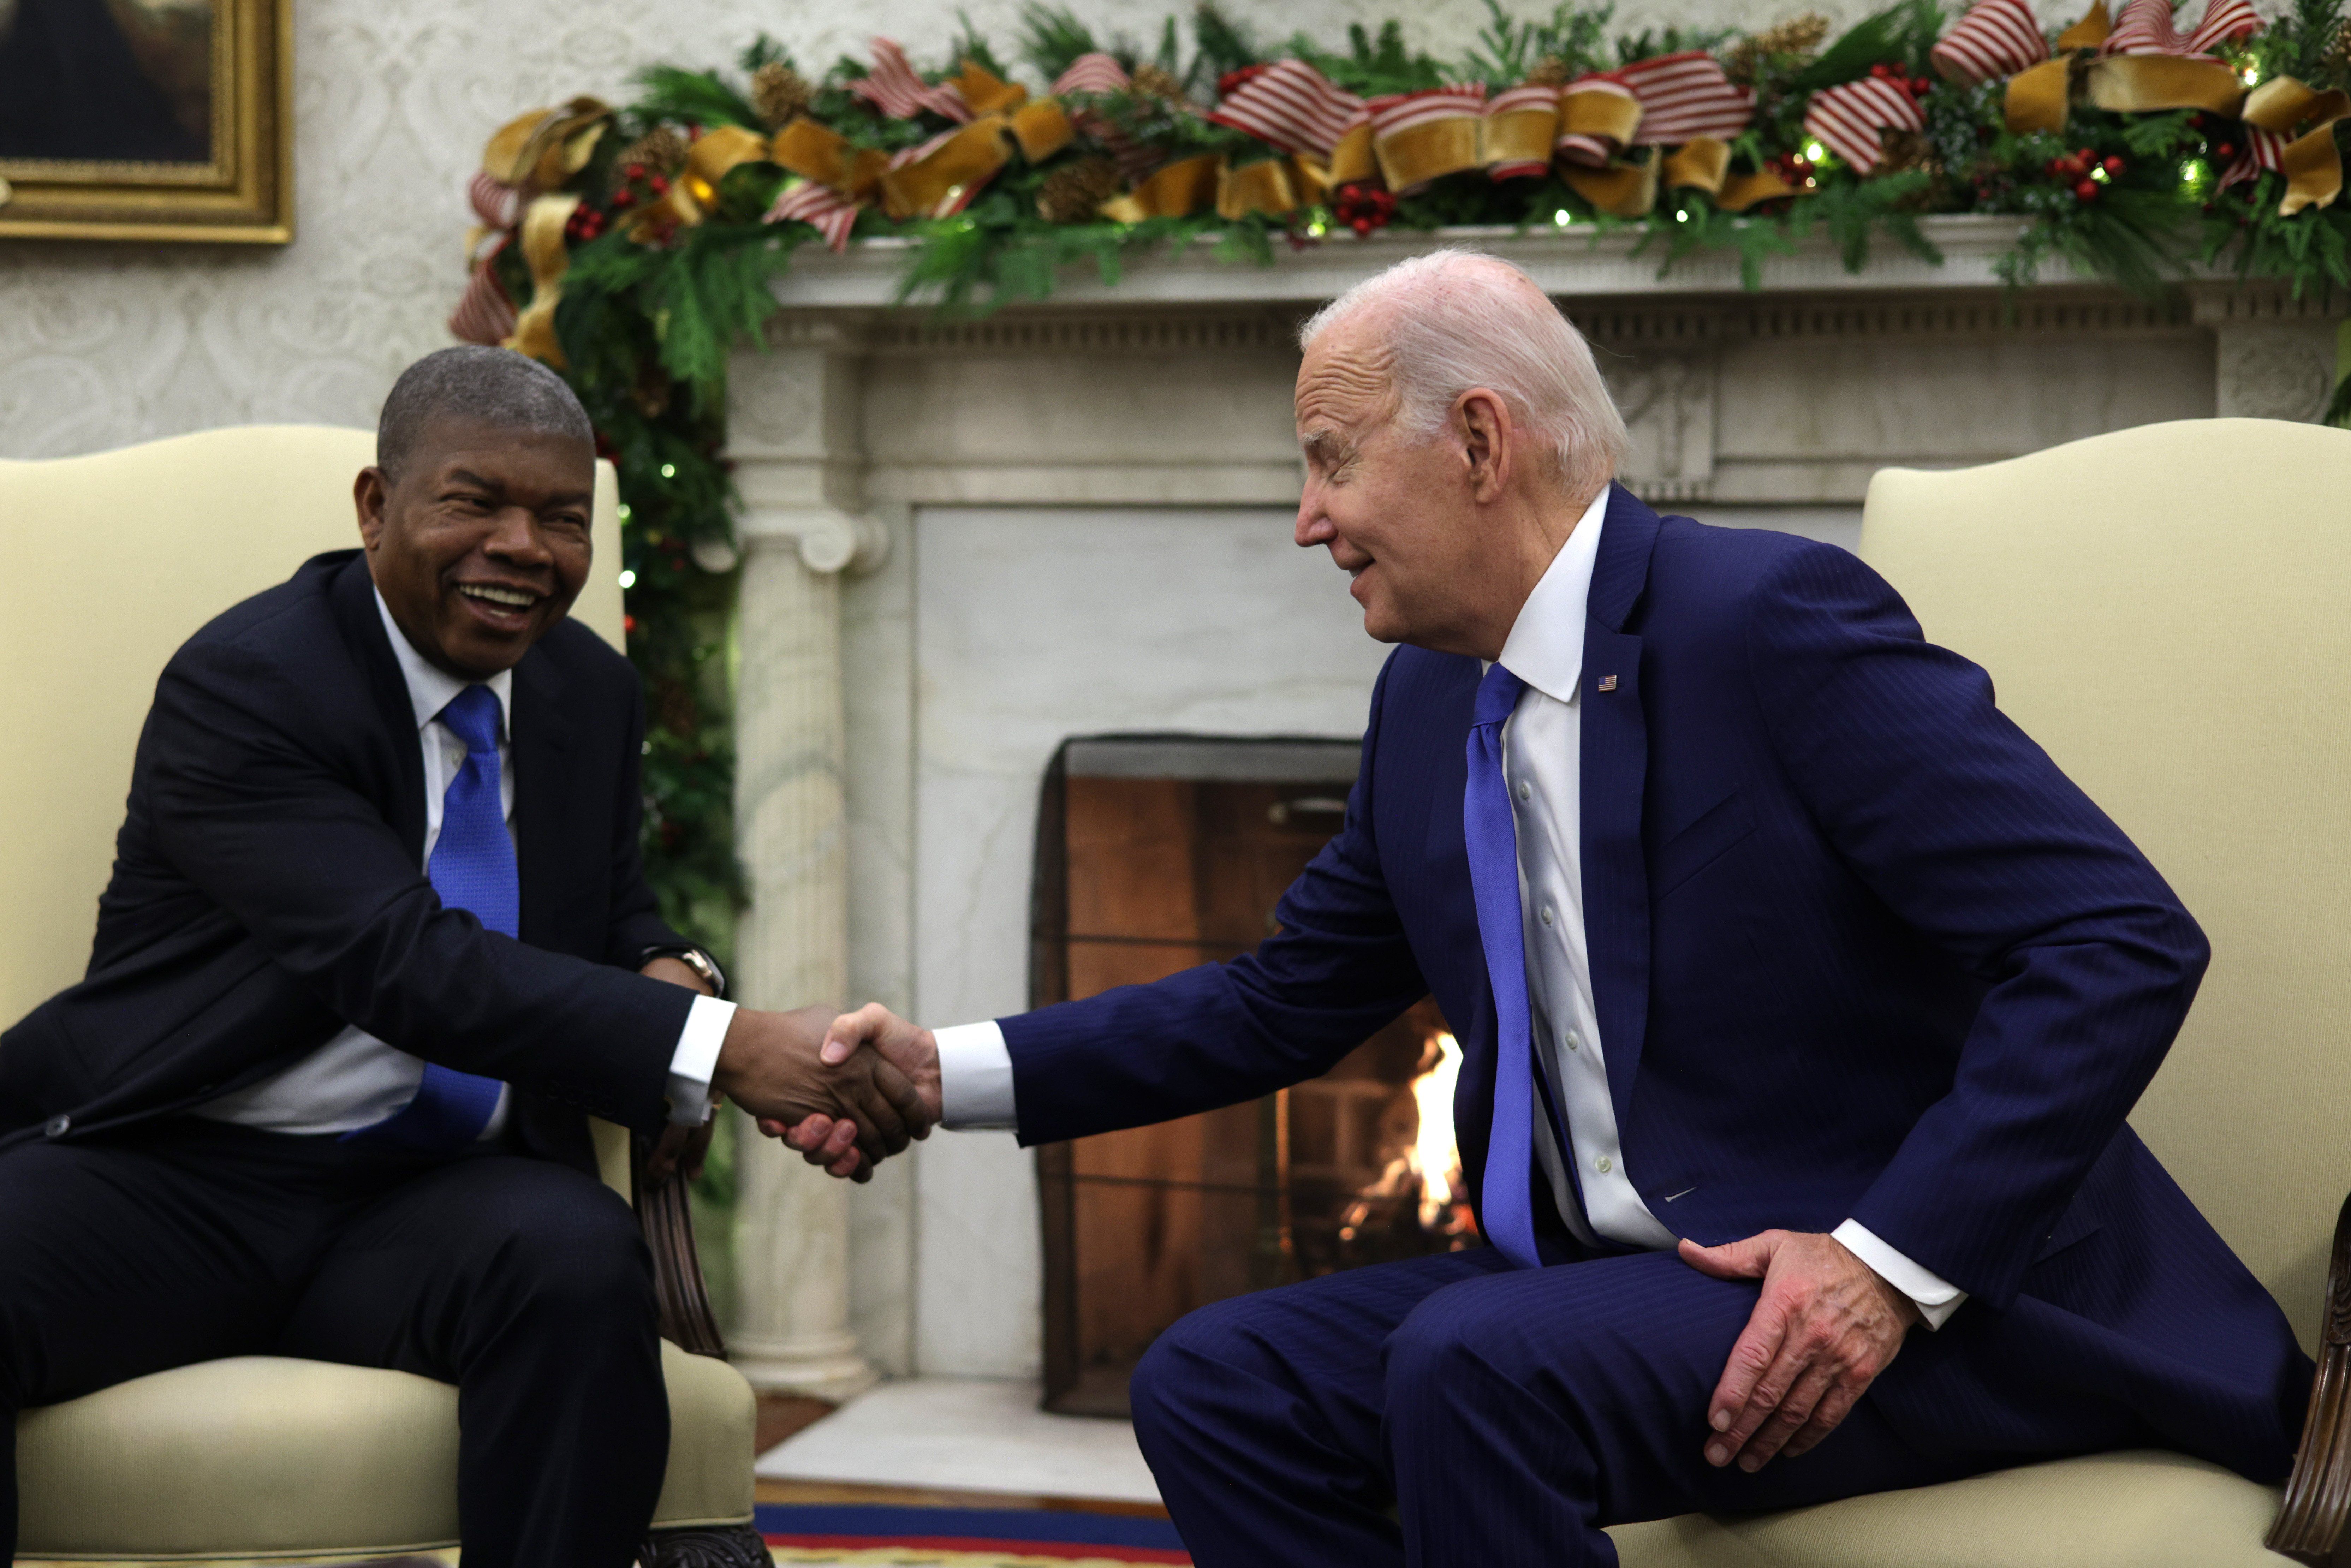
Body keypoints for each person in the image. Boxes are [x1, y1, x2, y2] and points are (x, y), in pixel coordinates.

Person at [783, 252, 2311, 1566]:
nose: (1306, 519)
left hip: (1930, 1298)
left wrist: (1884, 1262)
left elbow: (2114, 935)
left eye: (1329, 457)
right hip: (1612, 1290)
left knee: (1472, 1364)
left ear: (1477, 439)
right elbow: (1278, 1001)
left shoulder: (1770, 624)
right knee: (1212, 1378)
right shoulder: (1426, 696)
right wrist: (940, 1073)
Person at [0, 347, 926, 1568]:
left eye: (560, 518)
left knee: (577, 1259)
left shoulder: (583, 690)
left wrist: (680, 983)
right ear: (377, 507)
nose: (522, 546)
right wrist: (732, 1045)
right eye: (473, 501)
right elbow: (402, 961)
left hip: (431, 1198)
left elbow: (618, 920)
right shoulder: (253, 683)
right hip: (178, 1170)